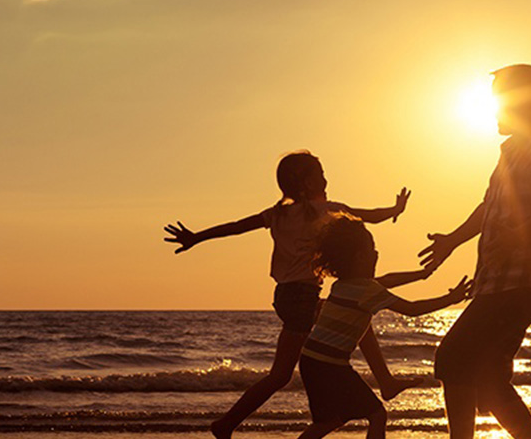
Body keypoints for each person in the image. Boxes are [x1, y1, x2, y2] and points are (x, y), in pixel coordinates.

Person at [163, 151, 429, 438]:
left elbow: (236, 227)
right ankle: (226, 424)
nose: (326, 179)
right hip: (302, 298)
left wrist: (196, 237)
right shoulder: (321, 209)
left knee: (348, 319)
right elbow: (365, 216)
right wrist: (394, 210)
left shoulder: (276, 214)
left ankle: (384, 380)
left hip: (286, 296)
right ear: (307, 182)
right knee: (290, 366)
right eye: (321, 174)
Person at [418, 64, 531, 438]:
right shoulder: (514, 154)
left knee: (454, 357)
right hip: (498, 280)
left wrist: (519, 235)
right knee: (489, 379)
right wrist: (451, 241)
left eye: (498, 104)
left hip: (523, 279)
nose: (492, 113)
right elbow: (488, 208)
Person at [298, 214, 472, 439]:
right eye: (373, 250)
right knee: (377, 414)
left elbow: (387, 279)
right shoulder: (368, 291)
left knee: (329, 420)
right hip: (331, 365)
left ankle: (387, 383)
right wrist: (450, 299)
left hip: (311, 361)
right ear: (361, 258)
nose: (377, 254)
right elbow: (412, 309)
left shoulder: (343, 286)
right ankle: (387, 384)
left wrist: (422, 275)